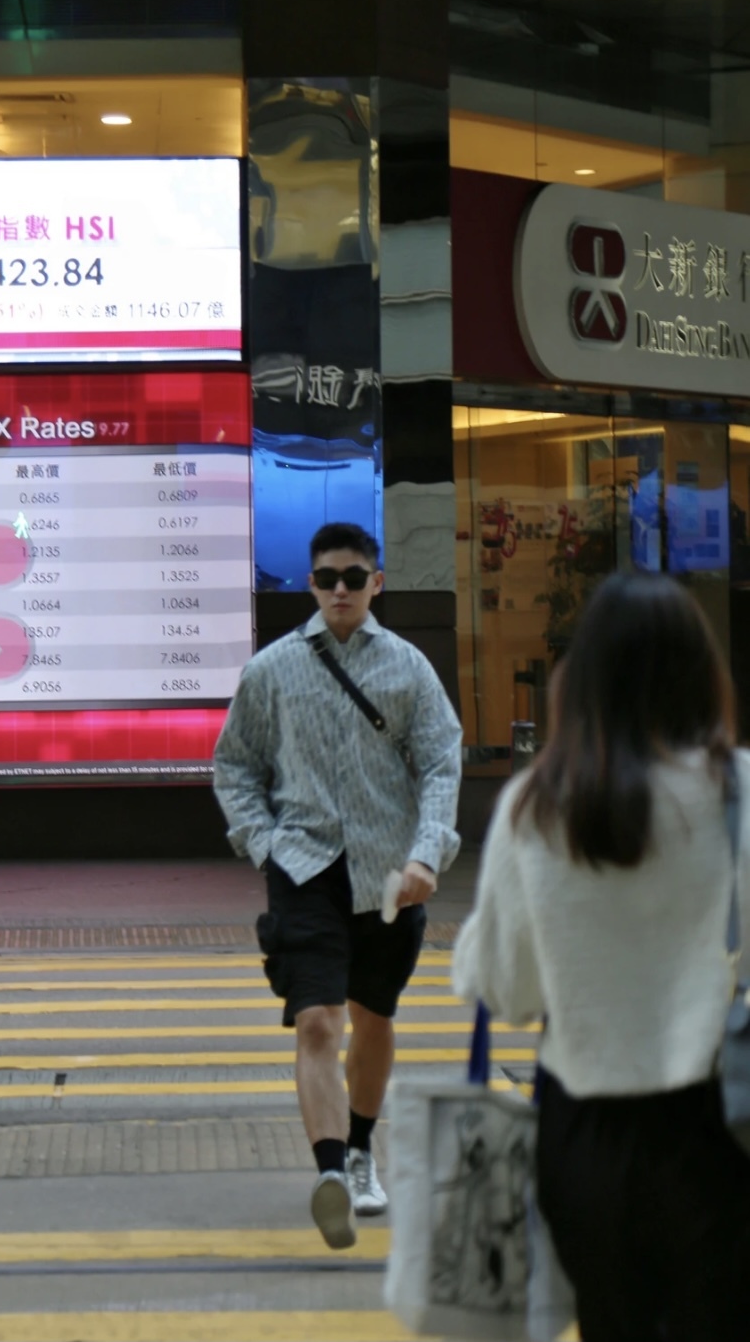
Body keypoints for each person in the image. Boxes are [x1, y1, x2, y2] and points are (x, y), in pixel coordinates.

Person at [453, 570, 750, 1341]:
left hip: (583, 1137)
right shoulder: (740, 792)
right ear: (702, 673)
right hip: (720, 1126)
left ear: (580, 680)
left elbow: (510, 990)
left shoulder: (535, 805)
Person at [213, 521, 462, 1250]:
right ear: (311, 584)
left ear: (377, 583)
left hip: (389, 873)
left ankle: (359, 1150)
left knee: (372, 1017)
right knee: (318, 1020)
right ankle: (330, 1174)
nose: (341, 590)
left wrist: (427, 855)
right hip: (304, 868)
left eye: (355, 577)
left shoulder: (409, 667)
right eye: (328, 579)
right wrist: (265, 844)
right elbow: (235, 766)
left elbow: (441, 763)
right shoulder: (272, 670)